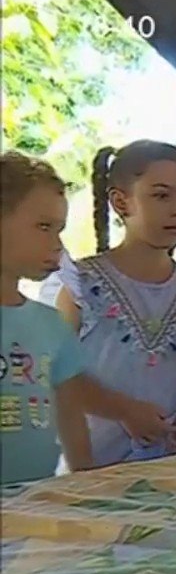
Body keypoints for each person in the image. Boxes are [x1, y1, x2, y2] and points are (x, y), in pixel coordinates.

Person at [55, 141, 176, 468]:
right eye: (161, 196)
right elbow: (57, 375)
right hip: (95, 469)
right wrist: (124, 410)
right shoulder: (81, 284)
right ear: (121, 202)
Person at [0, 152, 94, 482]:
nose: (57, 245)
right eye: (43, 227)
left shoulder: (52, 326)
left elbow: (71, 417)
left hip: (37, 499)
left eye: (59, 230)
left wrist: (86, 485)